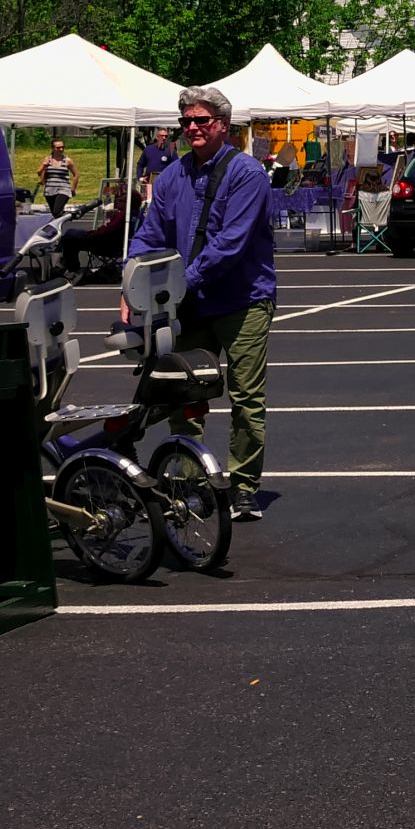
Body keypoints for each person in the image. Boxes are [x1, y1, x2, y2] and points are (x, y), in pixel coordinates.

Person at [126, 86, 277, 520]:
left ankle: (243, 487)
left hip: (242, 300)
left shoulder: (246, 174)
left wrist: (179, 286)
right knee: (183, 394)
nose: (192, 127)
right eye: (186, 121)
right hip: (190, 302)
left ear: (223, 125)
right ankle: (189, 483)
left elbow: (230, 244)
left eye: (201, 120)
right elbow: (150, 234)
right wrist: (130, 284)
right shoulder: (172, 176)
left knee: (246, 397)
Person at [38, 138, 77, 218]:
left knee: (57, 211)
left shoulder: (67, 161)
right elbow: (39, 172)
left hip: (63, 189)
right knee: (55, 214)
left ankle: (71, 216)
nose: (61, 149)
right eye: (58, 148)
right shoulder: (48, 160)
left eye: (63, 147)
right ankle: (61, 224)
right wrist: (44, 165)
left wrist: (73, 189)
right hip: (49, 190)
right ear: (53, 148)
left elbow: (76, 175)